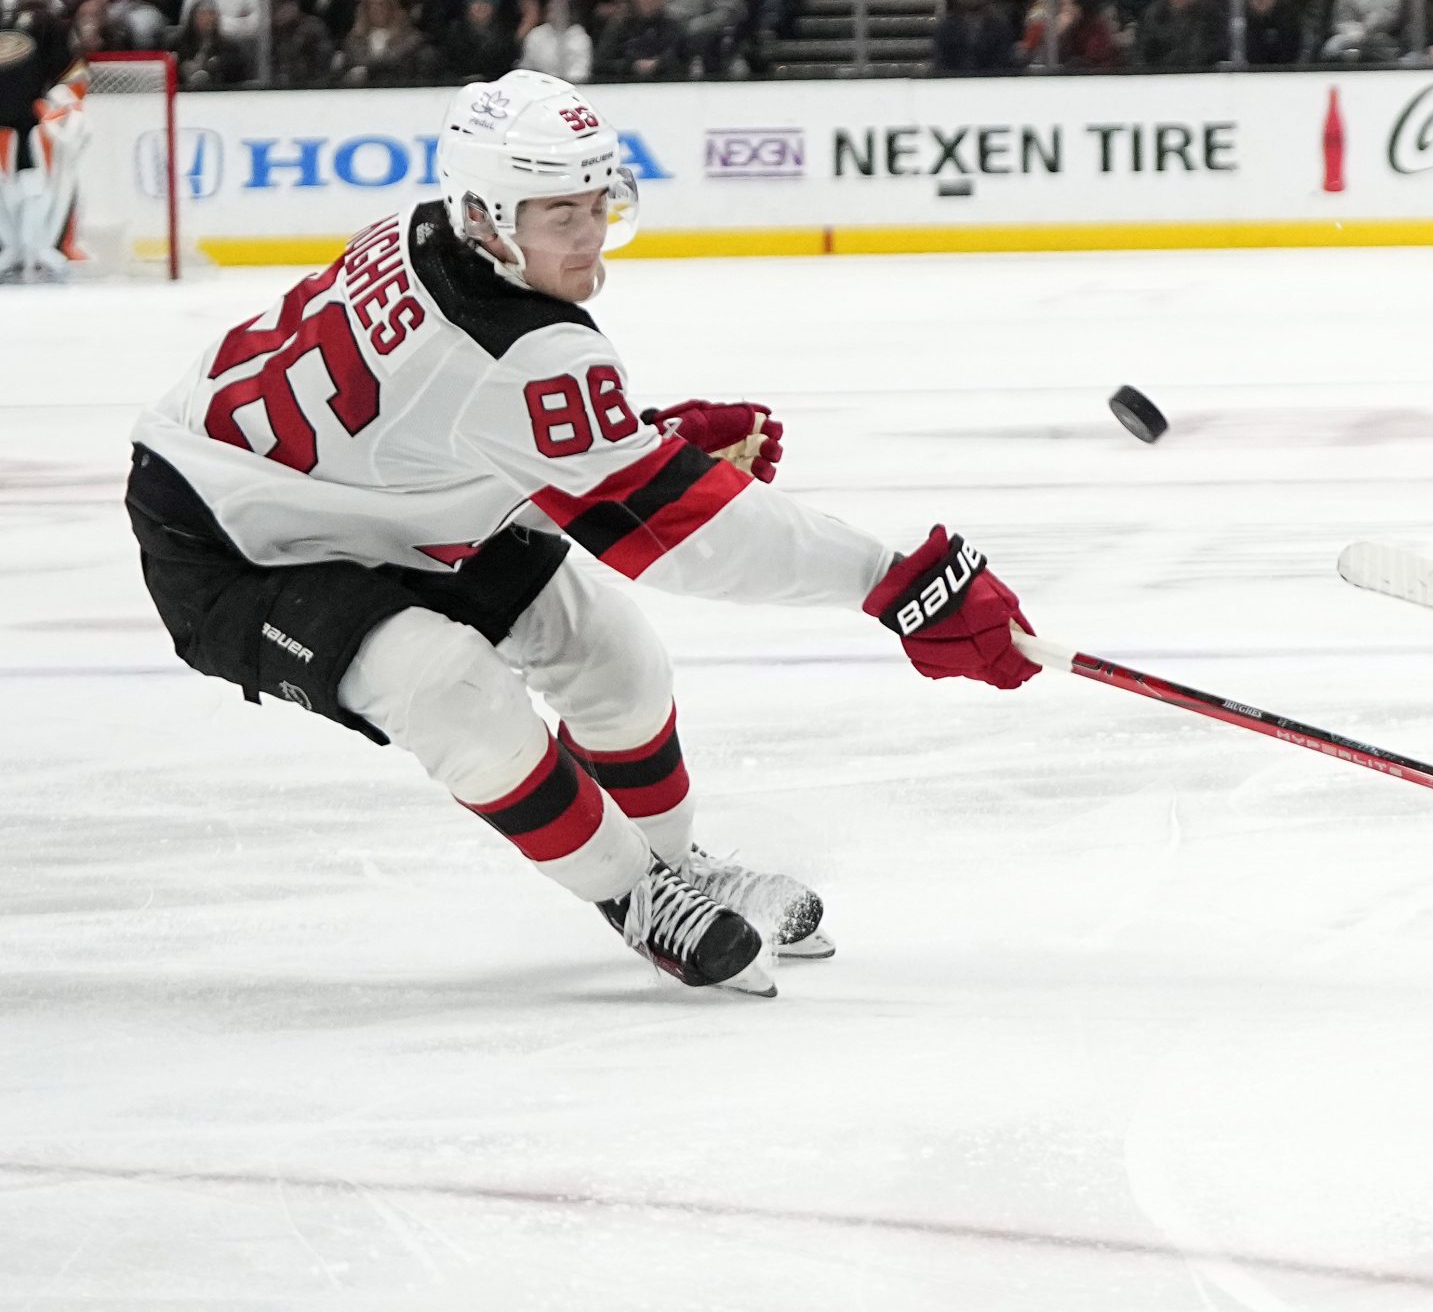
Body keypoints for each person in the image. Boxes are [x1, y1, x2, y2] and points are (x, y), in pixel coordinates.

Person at [124, 72, 1041, 994]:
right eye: (559, 213)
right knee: (447, 686)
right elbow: (674, 534)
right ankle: (636, 894)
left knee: (611, 653)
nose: (590, 233)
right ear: (485, 216)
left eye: (598, 202)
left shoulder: (433, 234)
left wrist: (643, 442)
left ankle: (674, 862)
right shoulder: (518, 344)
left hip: (360, 504)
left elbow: (448, 421)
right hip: (225, 541)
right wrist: (894, 581)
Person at [0, 0, 81, 283]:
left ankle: (40, 247)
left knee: (37, 186)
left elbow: (71, 70)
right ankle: (9, 249)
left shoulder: (45, 16)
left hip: (33, 119)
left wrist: (59, 105)